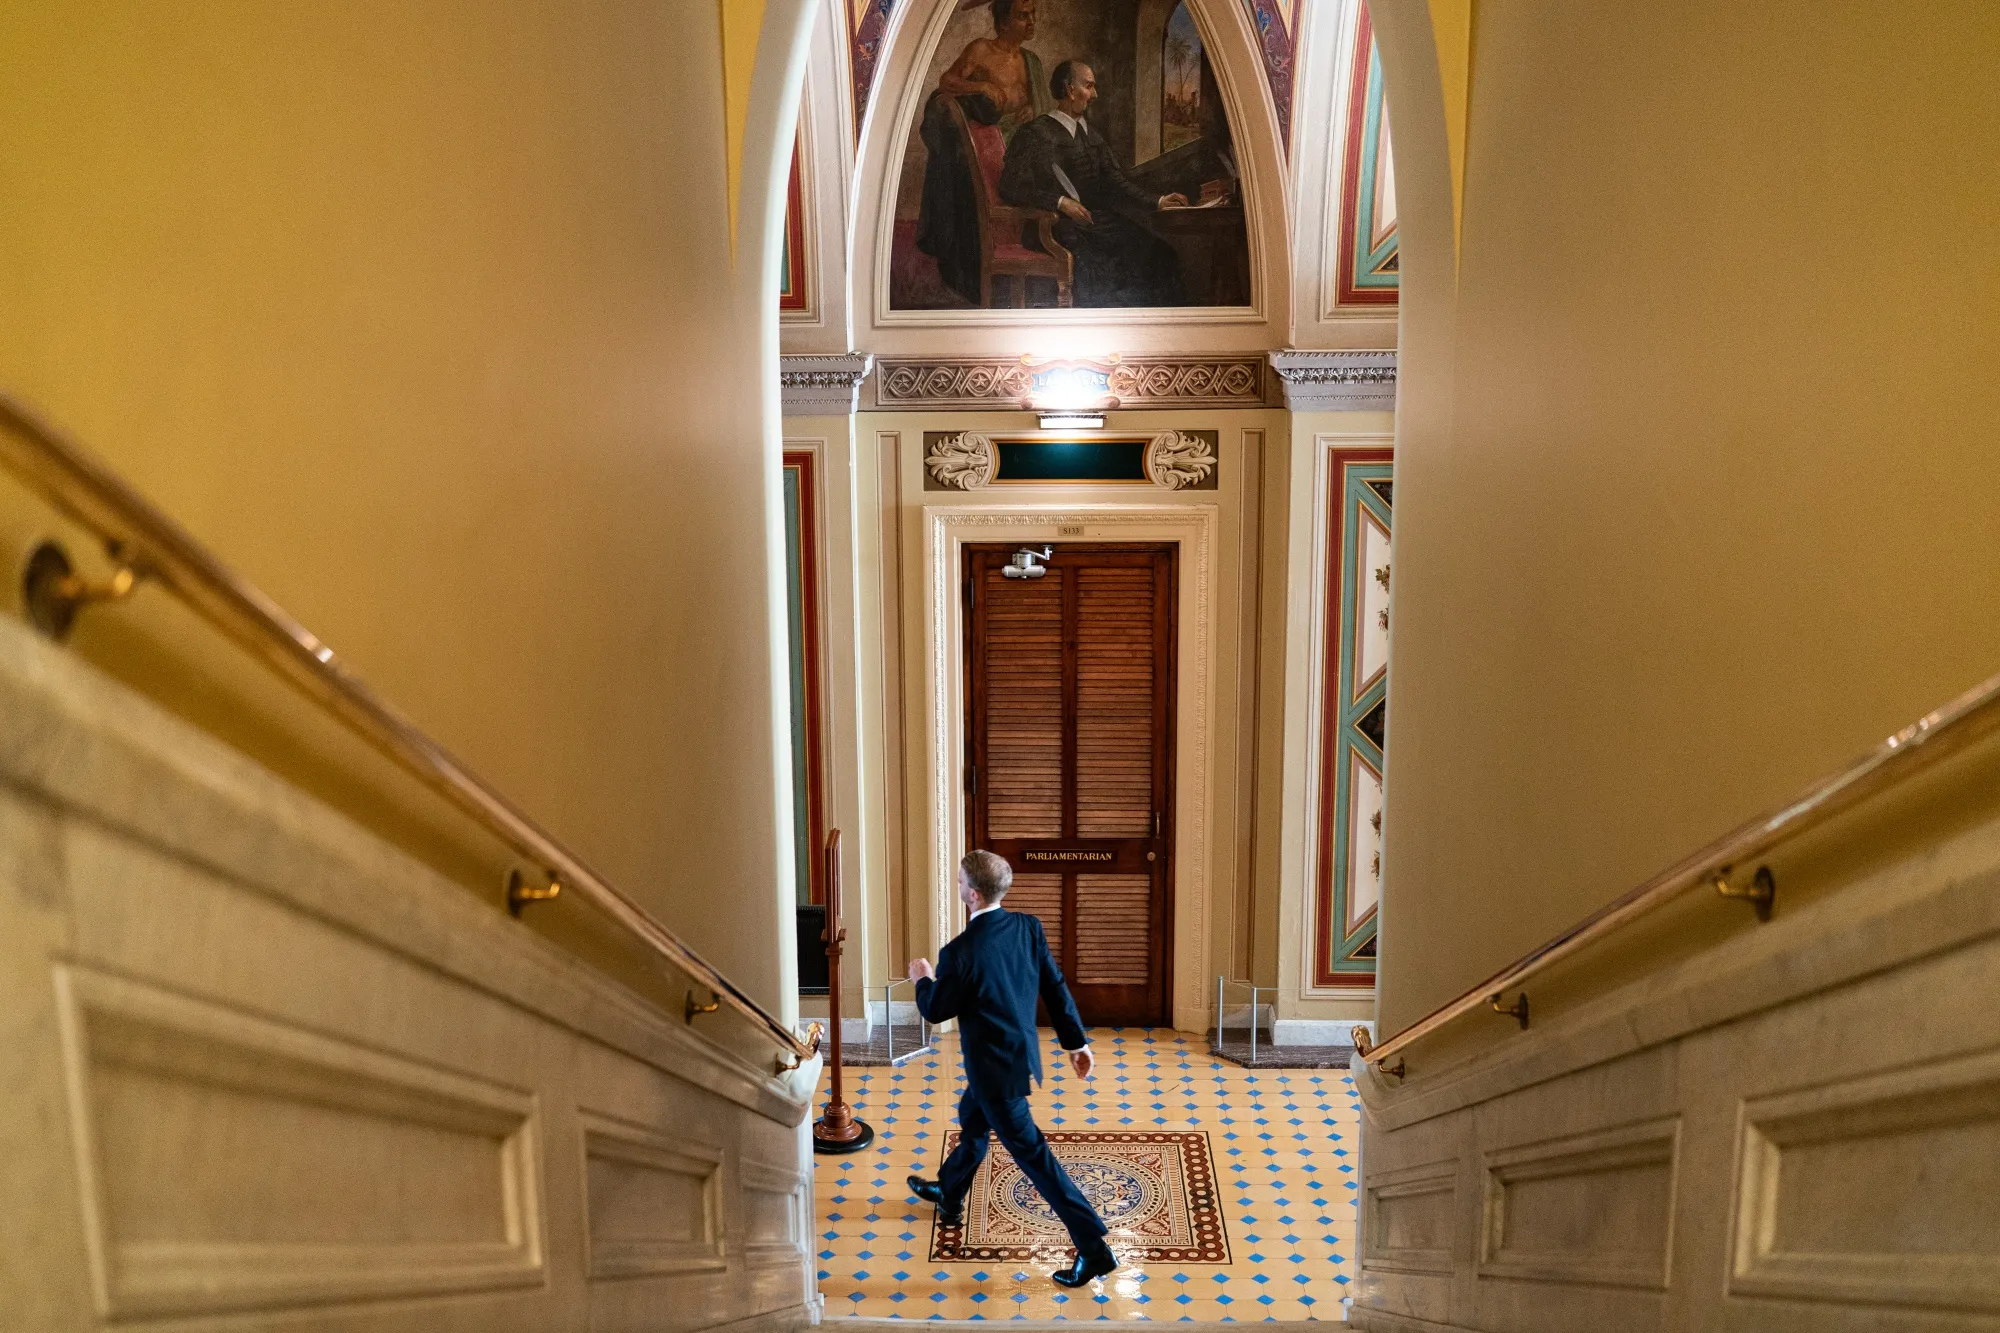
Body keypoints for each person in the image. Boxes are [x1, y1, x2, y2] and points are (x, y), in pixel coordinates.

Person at [906, 850, 1118, 1289]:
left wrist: (922, 977)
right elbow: (1055, 987)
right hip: (1013, 1059)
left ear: (972, 893)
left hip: (994, 1074)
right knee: (973, 1122)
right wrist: (1076, 1042)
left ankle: (1094, 1250)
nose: (958, 886)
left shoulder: (958, 953)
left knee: (1035, 1158)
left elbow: (935, 1010)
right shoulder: (1028, 927)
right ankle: (949, 1190)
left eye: (961, 881)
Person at [998, 60, 1188, 306]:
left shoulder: (1091, 134)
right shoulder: (1036, 133)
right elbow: (1010, 186)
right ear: (1069, 89)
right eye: (1089, 86)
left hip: (1093, 222)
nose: (1095, 94)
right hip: (1055, 227)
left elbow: (1116, 181)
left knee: (1160, 254)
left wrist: (1158, 200)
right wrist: (1060, 201)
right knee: (1099, 267)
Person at [915, 0, 1052, 305]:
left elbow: (1041, 112)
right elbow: (946, 82)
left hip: (1018, 155)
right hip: (983, 154)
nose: (1031, 21)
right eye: (1022, 16)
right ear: (1003, 21)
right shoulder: (980, 50)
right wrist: (979, 89)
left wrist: (1032, 109)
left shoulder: (1032, 62)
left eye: (1033, 15)